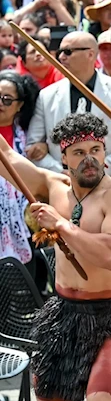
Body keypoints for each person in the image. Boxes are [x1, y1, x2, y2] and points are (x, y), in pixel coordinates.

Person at [0, 113, 111, 401]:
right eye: (79, 153)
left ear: (105, 152)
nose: (89, 159)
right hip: (63, 312)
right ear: (63, 157)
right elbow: (6, 156)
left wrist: (62, 225)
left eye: (96, 150)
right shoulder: (53, 186)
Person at [26, 32, 111, 172]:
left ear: (90, 54)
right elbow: (33, 146)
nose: (61, 57)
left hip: (110, 181)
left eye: (68, 52)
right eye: (60, 52)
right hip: (62, 182)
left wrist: (100, 169)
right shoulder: (47, 95)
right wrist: (61, 172)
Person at [0, 71, 39, 266]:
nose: (0, 103)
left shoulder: (28, 136)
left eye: (7, 100)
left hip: (23, 218)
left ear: (20, 105)